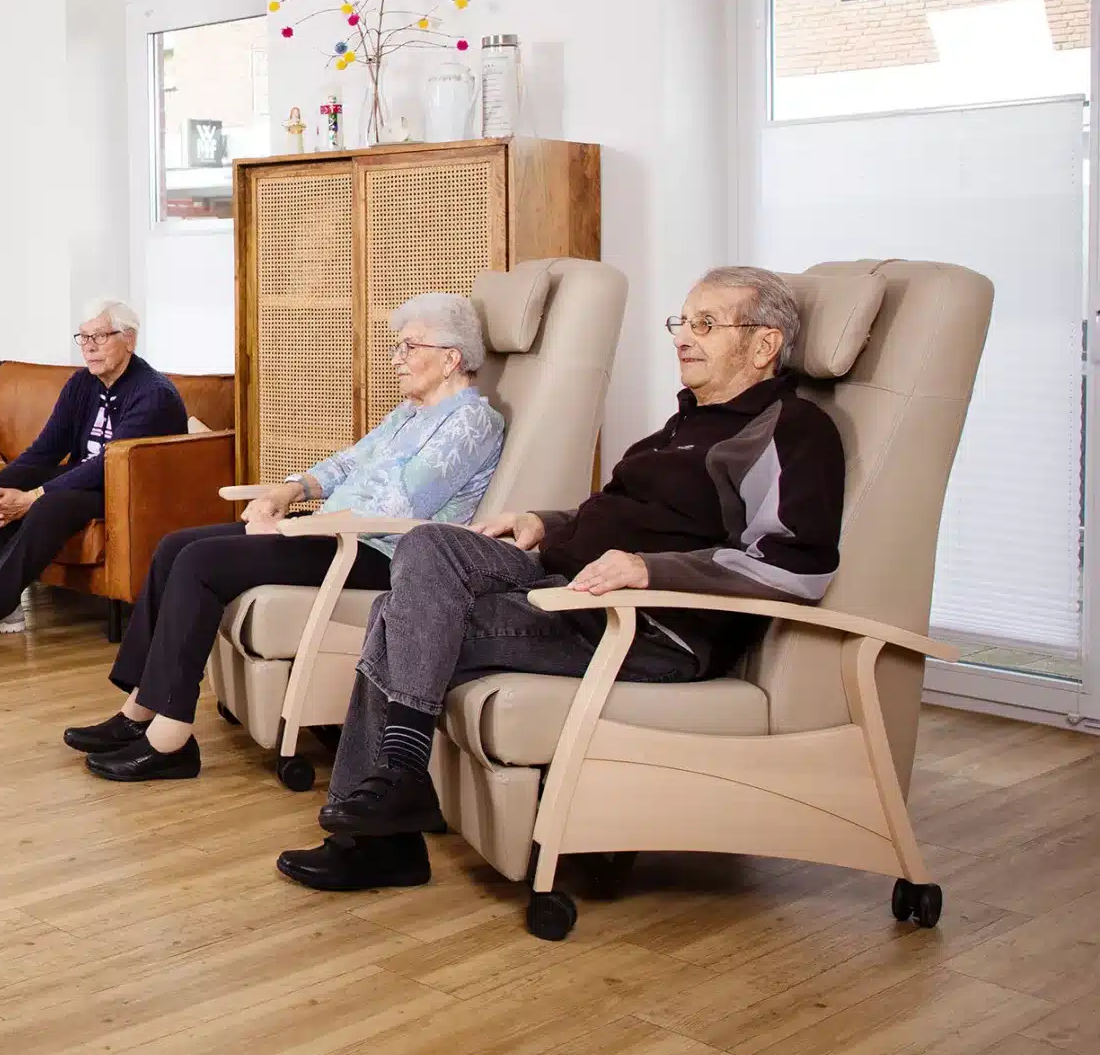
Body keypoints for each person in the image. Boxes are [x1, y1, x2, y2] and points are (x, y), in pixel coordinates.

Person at [277, 266, 845, 894]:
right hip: (564, 584)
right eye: (682, 322)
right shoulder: (681, 426)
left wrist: (647, 568)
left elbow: (796, 566)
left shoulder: (787, 430)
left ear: (765, 344)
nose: (683, 337)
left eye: (706, 324)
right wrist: (543, 522)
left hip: (644, 626)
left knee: (397, 615)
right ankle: (397, 798)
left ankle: (381, 835)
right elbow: (622, 514)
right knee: (429, 544)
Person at [67, 292, 505, 782]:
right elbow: (346, 465)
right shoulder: (410, 414)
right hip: (332, 536)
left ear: (451, 359)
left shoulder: (473, 423)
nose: (396, 358)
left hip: (378, 553)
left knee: (199, 564)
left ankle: (170, 740)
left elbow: (398, 509)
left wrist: (293, 528)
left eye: (409, 347)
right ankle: (138, 712)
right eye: (396, 346)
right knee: (174, 547)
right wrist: (287, 492)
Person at [0, 300, 194, 657]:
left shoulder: (153, 394)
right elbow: (47, 448)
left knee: (49, 504)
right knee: (8, 494)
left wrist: (36, 495)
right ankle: (6, 609)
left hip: (130, 490)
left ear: (129, 339)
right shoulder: (81, 384)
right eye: (83, 337)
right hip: (90, 479)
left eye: (100, 336)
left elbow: (109, 464)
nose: (89, 346)